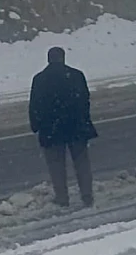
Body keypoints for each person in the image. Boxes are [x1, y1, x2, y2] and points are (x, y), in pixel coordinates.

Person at [29, 47, 97, 208]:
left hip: (51, 129)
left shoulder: (39, 79)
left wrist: (36, 125)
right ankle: (87, 195)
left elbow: (35, 106)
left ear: (48, 59)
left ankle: (62, 197)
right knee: (82, 163)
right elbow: (85, 100)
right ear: (63, 58)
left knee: (56, 167)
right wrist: (84, 121)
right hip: (76, 127)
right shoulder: (76, 75)